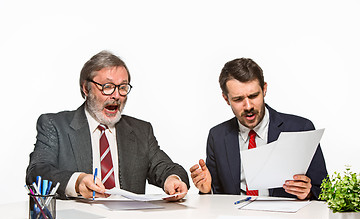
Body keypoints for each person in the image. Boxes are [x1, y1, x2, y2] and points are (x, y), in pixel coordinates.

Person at [26, 50, 189, 200]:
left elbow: (167, 168)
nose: (117, 95)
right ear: (86, 88)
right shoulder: (55, 125)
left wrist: (172, 180)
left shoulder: (141, 131)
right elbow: (37, 172)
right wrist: (77, 182)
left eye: (123, 87)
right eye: (108, 87)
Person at [190, 58, 327, 200]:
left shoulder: (300, 129)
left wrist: (309, 192)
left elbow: (324, 190)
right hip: (235, 218)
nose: (248, 106)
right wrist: (207, 191)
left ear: (264, 89)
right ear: (226, 99)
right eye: (238, 99)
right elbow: (217, 197)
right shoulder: (217, 136)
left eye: (254, 96)